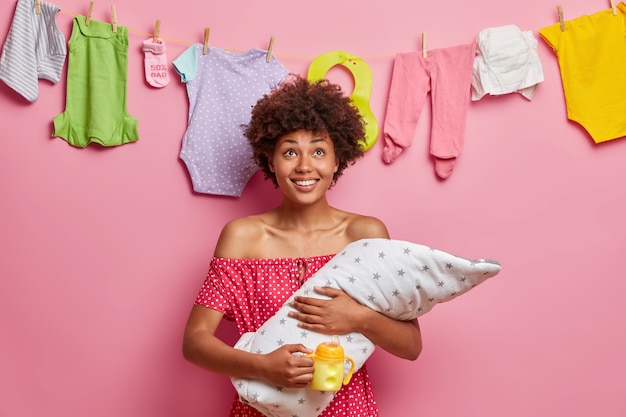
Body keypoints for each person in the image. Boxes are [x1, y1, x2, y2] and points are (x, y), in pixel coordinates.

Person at [182, 75, 423, 417]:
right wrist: (262, 366)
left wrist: (359, 316)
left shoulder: (365, 234)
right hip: (262, 410)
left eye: (319, 151)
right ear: (270, 161)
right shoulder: (242, 237)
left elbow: (411, 345)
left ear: (337, 160)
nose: (305, 166)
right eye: (290, 151)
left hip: (348, 410)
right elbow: (195, 341)